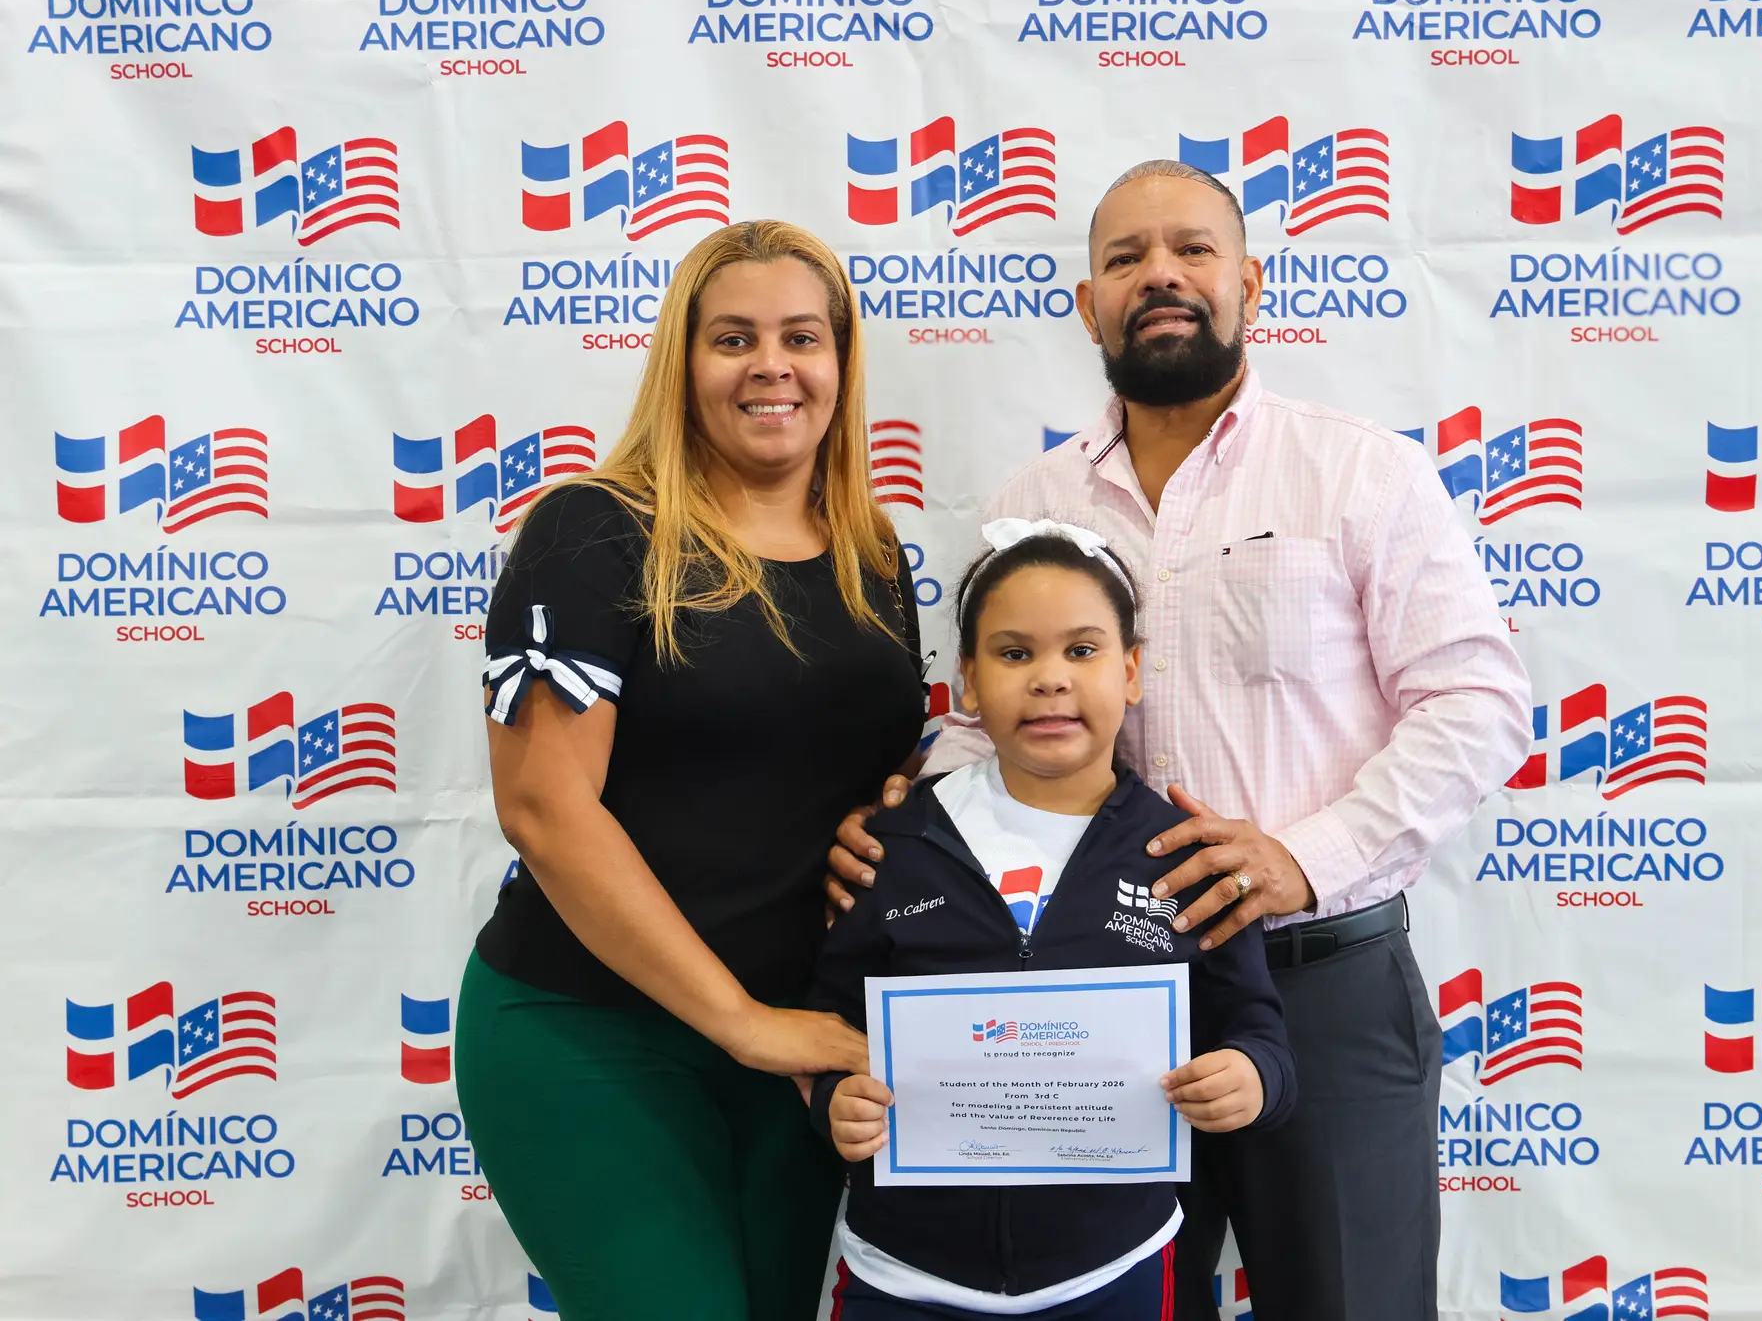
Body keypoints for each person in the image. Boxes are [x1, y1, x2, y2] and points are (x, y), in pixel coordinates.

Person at [828, 163, 1532, 1320]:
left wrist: (1302, 858)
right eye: (1125, 258)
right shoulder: (1031, 502)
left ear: (1248, 283)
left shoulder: (1359, 471)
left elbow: (1478, 701)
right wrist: (902, 830)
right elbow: (984, 728)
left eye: (1192, 250)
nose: (1159, 274)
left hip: (1323, 984)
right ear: (1088, 305)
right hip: (1092, 1003)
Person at [456, 220, 927, 1321]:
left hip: (798, 1049)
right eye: (734, 339)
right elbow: (543, 807)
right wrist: (741, 1020)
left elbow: (848, 769)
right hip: (592, 1033)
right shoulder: (594, 531)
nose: (772, 366)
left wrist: (891, 811)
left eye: (802, 337)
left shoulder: (873, 555)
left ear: (842, 363)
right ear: (684, 361)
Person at [808, 520, 1297, 1320]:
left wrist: (1252, 1078)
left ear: (1131, 671)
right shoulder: (893, 847)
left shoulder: (1188, 858)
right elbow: (829, 1021)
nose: (1049, 679)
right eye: (1014, 654)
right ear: (967, 681)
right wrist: (835, 1097)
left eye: (1082, 650)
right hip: (902, 1277)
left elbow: (1257, 1028)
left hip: (1114, 1273)